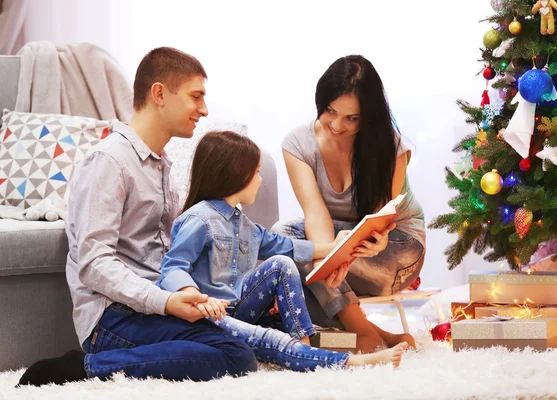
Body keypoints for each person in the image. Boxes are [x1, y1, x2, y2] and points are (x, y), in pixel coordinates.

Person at [18, 47, 258, 387]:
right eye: (195, 97)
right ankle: (82, 369)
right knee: (236, 356)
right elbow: (94, 263)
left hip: (152, 305)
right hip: (113, 318)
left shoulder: (160, 167)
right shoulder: (109, 162)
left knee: (242, 334)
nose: (203, 110)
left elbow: (168, 254)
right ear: (159, 93)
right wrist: (166, 302)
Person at [157, 130, 408, 372]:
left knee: (282, 266)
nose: (260, 179)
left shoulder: (244, 225)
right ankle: (353, 363)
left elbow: (286, 246)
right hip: (210, 317)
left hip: (243, 309)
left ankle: (305, 348)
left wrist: (333, 247)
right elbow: (172, 267)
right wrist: (194, 296)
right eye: (256, 173)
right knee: (270, 339)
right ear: (235, 174)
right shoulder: (198, 219)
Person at [272, 55, 425, 353]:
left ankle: (363, 334)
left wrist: (348, 254)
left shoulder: (389, 146)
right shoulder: (298, 144)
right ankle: (374, 334)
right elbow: (315, 214)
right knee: (281, 242)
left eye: (351, 118)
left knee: (297, 256)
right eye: (330, 111)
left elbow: (379, 221)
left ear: (368, 116)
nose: (337, 125)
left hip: (394, 248)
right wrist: (328, 259)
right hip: (337, 248)